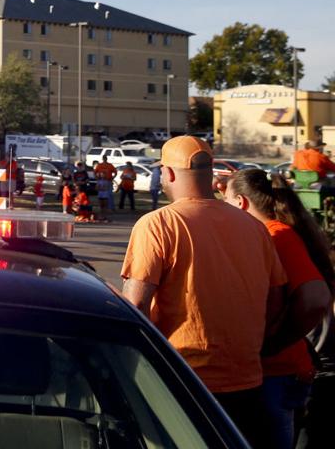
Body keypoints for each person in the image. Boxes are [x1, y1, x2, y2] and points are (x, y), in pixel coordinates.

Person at [122, 136, 287, 448]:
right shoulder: (254, 227)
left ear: (167, 174)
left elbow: (135, 304)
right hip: (248, 382)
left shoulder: (158, 224)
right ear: (211, 172)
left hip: (184, 381)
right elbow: (276, 299)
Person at [223, 169, 334, 449]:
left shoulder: (277, 236)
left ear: (241, 203)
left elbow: (315, 299)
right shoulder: (268, 234)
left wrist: (275, 343)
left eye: (224, 198)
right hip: (275, 372)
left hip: (279, 372)